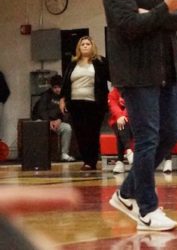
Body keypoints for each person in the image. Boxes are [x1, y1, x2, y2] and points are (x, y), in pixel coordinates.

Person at [103, 0, 177, 231]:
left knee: (171, 135)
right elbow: (128, 26)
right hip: (136, 72)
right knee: (146, 139)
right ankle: (147, 209)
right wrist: (164, 11)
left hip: (167, 69)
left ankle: (126, 193)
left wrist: (153, 14)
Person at [60, 36, 109, 171]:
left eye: (88, 44)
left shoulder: (100, 62)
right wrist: (62, 99)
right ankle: (86, 160)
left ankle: (92, 161)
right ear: (79, 48)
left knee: (92, 132)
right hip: (75, 103)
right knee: (80, 132)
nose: (85, 46)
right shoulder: (72, 63)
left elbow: (111, 77)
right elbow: (65, 83)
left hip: (94, 103)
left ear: (92, 46)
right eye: (83, 44)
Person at [31, 74, 74, 162]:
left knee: (67, 128)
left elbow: (67, 113)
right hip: (43, 121)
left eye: (59, 87)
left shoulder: (66, 98)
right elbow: (41, 111)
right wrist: (48, 121)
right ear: (51, 87)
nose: (57, 89)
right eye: (55, 87)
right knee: (38, 127)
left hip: (57, 122)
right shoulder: (45, 95)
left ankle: (64, 154)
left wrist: (60, 120)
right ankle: (38, 155)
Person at [107, 86, 135, 174]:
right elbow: (113, 106)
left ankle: (120, 161)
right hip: (117, 120)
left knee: (122, 127)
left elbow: (132, 105)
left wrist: (124, 116)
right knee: (121, 126)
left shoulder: (132, 90)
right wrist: (120, 116)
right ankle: (129, 151)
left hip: (133, 118)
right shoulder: (113, 92)